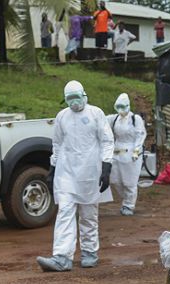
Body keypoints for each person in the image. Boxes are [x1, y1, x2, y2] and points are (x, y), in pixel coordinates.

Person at [36, 80, 114, 272]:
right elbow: (57, 144)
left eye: (76, 98)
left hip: (90, 172)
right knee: (65, 212)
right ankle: (62, 257)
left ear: (84, 95)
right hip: (67, 173)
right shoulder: (62, 116)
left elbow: (107, 141)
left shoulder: (96, 113)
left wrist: (106, 168)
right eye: (69, 99)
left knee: (88, 214)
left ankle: (89, 252)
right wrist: (53, 169)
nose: (74, 102)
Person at [107, 93, 146, 216]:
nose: (121, 110)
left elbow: (140, 135)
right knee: (115, 179)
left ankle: (129, 205)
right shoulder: (115, 119)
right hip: (117, 151)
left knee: (129, 181)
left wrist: (136, 151)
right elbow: (101, 120)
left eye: (122, 107)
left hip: (131, 152)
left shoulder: (135, 119)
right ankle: (125, 199)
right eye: (118, 107)